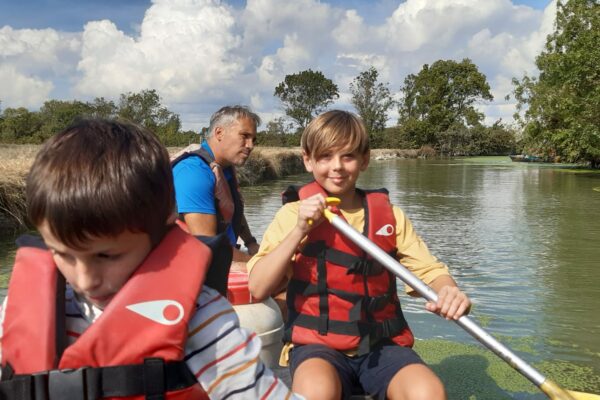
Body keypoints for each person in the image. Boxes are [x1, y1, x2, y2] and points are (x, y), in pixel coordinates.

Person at [0, 119, 300, 399]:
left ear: (161, 228)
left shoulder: (200, 319)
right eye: (62, 253)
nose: (84, 279)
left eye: (107, 255)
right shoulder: (17, 309)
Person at [247, 110, 472, 400]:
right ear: (308, 160)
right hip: (318, 345)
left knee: (429, 392)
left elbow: (429, 271)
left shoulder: (391, 216)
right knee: (317, 391)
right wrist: (299, 231)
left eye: (348, 156)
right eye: (325, 156)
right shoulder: (292, 215)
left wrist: (449, 291)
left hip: (380, 345)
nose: (337, 167)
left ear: (364, 159)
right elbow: (258, 286)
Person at [172, 106, 260, 294]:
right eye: (244, 136)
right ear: (219, 132)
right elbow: (207, 246)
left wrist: (251, 242)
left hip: (223, 256)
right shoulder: (194, 172)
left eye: (253, 139)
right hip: (193, 271)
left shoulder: (224, 168)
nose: (250, 145)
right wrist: (257, 261)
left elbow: (233, 209)